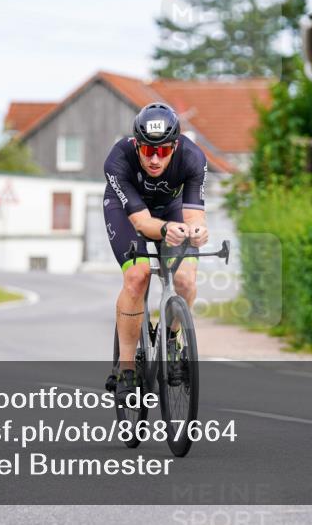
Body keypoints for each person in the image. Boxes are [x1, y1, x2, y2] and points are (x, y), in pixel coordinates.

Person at [102, 102, 208, 406]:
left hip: (171, 207)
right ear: (137, 144)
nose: (154, 158)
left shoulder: (193, 157)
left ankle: (171, 338)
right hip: (128, 211)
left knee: (185, 280)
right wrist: (164, 231)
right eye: (148, 150)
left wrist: (199, 231)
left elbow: (194, 217)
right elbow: (141, 222)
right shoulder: (118, 159)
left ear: (175, 146)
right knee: (137, 276)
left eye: (163, 151)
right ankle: (126, 369)